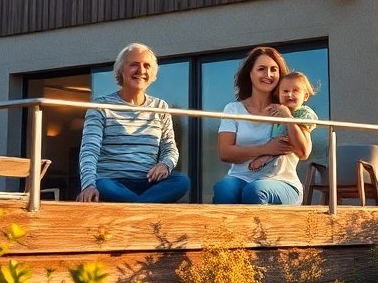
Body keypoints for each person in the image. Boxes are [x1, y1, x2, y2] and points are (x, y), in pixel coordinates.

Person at [76, 43, 190, 203]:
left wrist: (165, 165)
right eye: (134, 65)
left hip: (149, 182)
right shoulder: (100, 107)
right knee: (102, 187)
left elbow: (170, 147)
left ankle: (135, 206)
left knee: (181, 181)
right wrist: (88, 185)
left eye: (146, 66)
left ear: (153, 73)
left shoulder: (160, 107)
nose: (141, 71)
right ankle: (144, 207)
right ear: (121, 70)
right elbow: (89, 151)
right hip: (112, 182)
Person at [212, 46, 312, 204]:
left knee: (255, 190)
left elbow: (304, 152)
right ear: (250, 74)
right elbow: (225, 153)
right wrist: (267, 149)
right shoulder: (233, 109)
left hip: (282, 181)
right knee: (224, 189)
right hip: (239, 177)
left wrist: (288, 118)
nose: (268, 75)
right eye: (261, 69)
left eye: (274, 69)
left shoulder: (290, 109)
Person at [248, 72, 318, 174]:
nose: (289, 95)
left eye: (296, 91)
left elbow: (303, 150)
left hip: (283, 168)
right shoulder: (276, 114)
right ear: (278, 94)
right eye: (285, 91)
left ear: (305, 96)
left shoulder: (302, 114)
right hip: (267, 168)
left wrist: (288, 117)